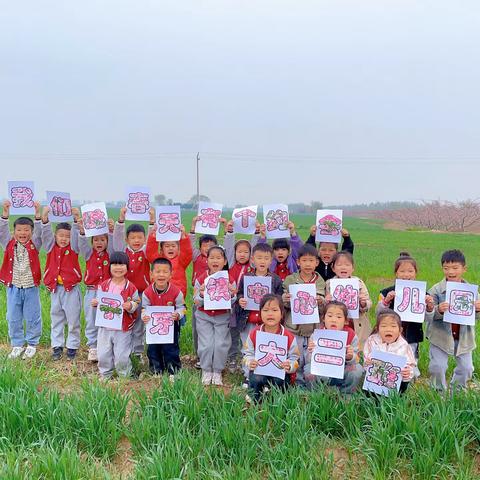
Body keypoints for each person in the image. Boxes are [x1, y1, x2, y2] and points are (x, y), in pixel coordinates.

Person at [427, 249, 480, 390]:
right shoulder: (436, 290)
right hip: (440, 337)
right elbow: (427, 316)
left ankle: (457, 391)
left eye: (455, 268)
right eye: (446, 268)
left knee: (467, 368)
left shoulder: (471, 292)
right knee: (438, 367)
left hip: (464, 338)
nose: (450, 272)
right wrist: (438, 309)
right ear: (442, 269)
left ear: (464, 269)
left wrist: (478, 309)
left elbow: (477, 317)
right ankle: (438, 392)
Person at [376, 252, 435, 376]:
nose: (406, 275)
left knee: (410, 363)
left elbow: (427, 318)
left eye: (410, 271)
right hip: (390, 334)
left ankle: (408, 384)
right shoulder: (386, 292)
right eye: (402, 271)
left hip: (412, 335)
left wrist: (429, 307)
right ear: (396, 273)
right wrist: (386, 301)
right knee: (390, 362)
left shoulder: (423, 293)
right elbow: (378, 314)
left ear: (415, 273)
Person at [0, 200, 42, 359]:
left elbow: (40, 233)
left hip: (31, 286)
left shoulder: (35, 245)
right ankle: (17, 344)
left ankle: (32, 344)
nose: (23, 233)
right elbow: (2, 232)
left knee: (32, 315)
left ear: (31, 232)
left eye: (26, 230)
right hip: (13, 287)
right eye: (19, 230)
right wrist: (5, 213)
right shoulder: (9, 244)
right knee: (13, 316)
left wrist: (37, 214)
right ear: (14, 231)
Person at [236, 243, 284, 383]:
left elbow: (279, 298)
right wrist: (241, 300)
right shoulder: (246, 278)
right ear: (252, 259)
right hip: (248, 320)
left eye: (266, 258)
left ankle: (265, 376)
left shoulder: (275, 280)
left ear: (271, 260)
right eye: (259, 258)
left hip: (266, 322)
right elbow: (240, 293)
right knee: (247, 348)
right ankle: (247, 376)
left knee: (265, 349)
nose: (262, 261)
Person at [72, 208, 115, 362]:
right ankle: (93, 347)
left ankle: (107, 347)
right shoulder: (89, 254)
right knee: (91, 320)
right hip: (91, 292)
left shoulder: (110, 254)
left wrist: (111, 231)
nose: (99, 243)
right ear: (92, 242)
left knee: (107, 319)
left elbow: (113, 243)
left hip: (108, 292)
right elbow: (82, 244)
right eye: (96, 240)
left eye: (103, 240)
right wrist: (82, 231)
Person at [113, 206, 155, 357]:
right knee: (123, 322)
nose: (136, 241)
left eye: (140, 237)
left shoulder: (145, 252)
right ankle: (122, 349)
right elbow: (116, 237)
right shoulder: (122, 252)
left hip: (142, 294)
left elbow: (152, 240)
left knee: (138, 324)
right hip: (124, 294)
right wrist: (121, 219)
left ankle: (137, 352)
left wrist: (151, 222)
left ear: (144, 239)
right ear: (127, 240)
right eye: (133, 238)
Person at [41, 206, 82, 360]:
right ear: (55, 236)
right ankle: (57, 346)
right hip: (55, 289)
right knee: (56, 317)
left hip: (71, 290)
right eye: (61, 235)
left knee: (73, 319)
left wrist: (76, 219)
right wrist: (44, 218)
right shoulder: (51, 247)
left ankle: (72, 347)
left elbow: (78, 238)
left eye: (67, 236)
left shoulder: (74, 248)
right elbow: (45, 235)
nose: (64, 239)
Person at [91, 251, 140, 380]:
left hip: (122, 329)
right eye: (115, 264)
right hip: (105, 327)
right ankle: (105, 374)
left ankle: (124, 375)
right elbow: (99, 301)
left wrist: (130, 305)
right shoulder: (104, 286)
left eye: (122, 264)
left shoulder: (131, 287)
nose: (118, 268)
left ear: (127, 268)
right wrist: (96, 302)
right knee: (103, 354)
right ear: (110, 267)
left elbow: (136, 302)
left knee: (122, 355)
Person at [242, 294, 299, 402]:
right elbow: (247, 354)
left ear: (282, 314)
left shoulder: (289, 336)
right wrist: (250, 362)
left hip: (280, 372)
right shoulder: (254, 333)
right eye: (266, 310)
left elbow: (295, 359)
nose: (270, 314)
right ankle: (255, 396)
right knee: (256, 377)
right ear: (260, 313)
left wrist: (290, 366)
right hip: (260, 370)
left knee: (279, 382)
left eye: (274, 310)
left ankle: (277, 398)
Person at [282, 244, 325, 384]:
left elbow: (323, 303)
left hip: (313, 328)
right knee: (296, 356)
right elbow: (284, 302)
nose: (308, 264)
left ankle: (310, 383)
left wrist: (320, 301)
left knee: (311, 357)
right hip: (294, 327)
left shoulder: (320, 281)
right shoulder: (290, 280)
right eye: (304, 260)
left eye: (311, 261)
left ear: (317, 263)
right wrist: (286, 300)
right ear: (298, 262)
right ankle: (297, 382)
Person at [194, 245, 236, 386]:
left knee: (220, 344)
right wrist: (201, 294)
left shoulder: (229, 279)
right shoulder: (201, 279)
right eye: (212, 257)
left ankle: (217, 371)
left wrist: (231, 294)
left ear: (224, 261)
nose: (215, 260)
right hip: (203, 316)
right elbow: (196, 301)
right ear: (207, 260)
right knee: (206, 345)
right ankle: (206, 370)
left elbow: (232, 301)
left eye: (219, 257)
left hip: (222, 316)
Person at [223, 219, 259, 372]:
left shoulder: (252, 267)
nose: (242, 254)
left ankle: (249, 357)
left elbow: (256, 248)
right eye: (240, 252)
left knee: (245, 332)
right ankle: (232, 358)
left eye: (246, 252)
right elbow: (229, 248)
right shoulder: (231, 264)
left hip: (246, 305)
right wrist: (230, 232)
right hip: (232, 304)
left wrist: (256, 233)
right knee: (232, 332)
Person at [305, 301, 363, 393]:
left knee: (357, 369)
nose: (334, 320)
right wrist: (311, 351)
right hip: (322, 370)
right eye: (330, 316)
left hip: (343, 370)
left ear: (346, 321)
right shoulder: (317, 335)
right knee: (308, 369)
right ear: (323, 319)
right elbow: (308, 360)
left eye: (339, 317)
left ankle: (347, 394)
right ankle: (315, 394)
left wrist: (350, 356)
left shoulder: (351, 335)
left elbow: (357, 360)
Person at [141, 258, 186, 378]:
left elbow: (182, 308)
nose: (161, 274)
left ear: (171, 275)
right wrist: (144, 317)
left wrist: (178, 314)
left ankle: (173, 371)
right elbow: (144, 309)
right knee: (153, 349)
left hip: (171, 327)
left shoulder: (177, 292)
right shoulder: (147, 293)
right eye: (158, 271)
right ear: (151, 274)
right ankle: (156, 370)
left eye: (165, 272)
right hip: (153, 327)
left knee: (171, 349)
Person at [145, 222, 192, 326]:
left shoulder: (181, 261)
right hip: (158, 300)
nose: (170, 248)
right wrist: (153, 235)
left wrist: (184, 237)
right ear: (161, 249)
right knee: (158, 325)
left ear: (178, 248)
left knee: (176, 328)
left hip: (177, 302)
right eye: (167, 246)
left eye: (173, 246)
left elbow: (188, 253)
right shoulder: (158, 260)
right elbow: (150, 253)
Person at [325, 251, 372, 349]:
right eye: (339, 264)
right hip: (336, 321)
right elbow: (324, 307)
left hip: (355, 322)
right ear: (333, 268)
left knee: (356, 346)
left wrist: (363, 303)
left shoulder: (358, 283)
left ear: (352, 268)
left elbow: (368, 302)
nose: (343, 267)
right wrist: (326, 301)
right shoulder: (329, 284)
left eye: (347, 264)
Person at [363, 309, 416, 393]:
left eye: (393, 326)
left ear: (400, 330)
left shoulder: (404, 345)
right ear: (377, 329)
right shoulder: (372, 340)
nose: (388, 329)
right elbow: (366, 359)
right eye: (384, 326)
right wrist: (368, 363)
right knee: (371, 392)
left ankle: (397, 399)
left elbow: (411, 365)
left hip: (395, 381)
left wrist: (407, 372)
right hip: (376, 379)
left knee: (403, 384)